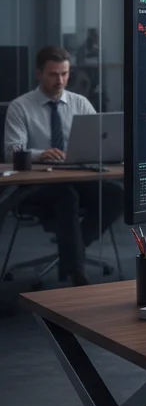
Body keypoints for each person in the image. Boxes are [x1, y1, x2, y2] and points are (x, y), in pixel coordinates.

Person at [3, 46, 124, 287]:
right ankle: (75, 271)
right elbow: (12, 150)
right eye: (53, 74)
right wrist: (40, 154)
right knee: (66, 197)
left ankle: (72, 251)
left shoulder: (80, 103)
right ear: (39, 74)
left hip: (77, 176)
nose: (60, 80)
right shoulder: (21, 106)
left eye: (65, 74)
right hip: (37, 185)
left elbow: (99, 140)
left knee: (116, 195)